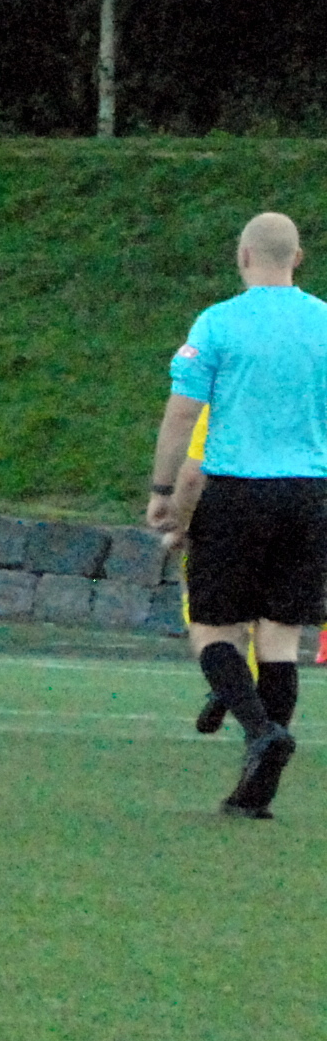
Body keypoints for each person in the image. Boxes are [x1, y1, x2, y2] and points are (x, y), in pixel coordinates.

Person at [149, 212, 327, 817]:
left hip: (236, 492)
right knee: (280, 638)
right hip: (309, 494)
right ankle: (258, 792)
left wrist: (164, 489)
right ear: (297, 258)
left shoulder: (219, 322)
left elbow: (182, 415)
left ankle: (260, 732)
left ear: (243, 256)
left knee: (213, 629)